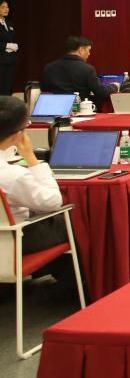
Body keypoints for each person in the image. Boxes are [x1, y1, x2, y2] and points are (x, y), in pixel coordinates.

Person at [0, 96, 75, 285]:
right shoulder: (13, 176)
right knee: (77, 222)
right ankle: (69, 289)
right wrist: (30, 158)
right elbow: (52, 202)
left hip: (10, 235)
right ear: (19, 134)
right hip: (14, 239)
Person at [40, 35, 114, 107]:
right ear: (81, 50)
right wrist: (114, 86)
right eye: (88, 50)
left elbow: (43, 89)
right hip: (79, 110)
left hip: (55, 109)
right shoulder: (87, 69)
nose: (89, 54)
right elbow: (101, 93)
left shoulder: (49, 67)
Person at [0, 0, 15, 96]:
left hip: (10, 60)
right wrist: (6, 45)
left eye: (7, 7)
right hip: (1, 60)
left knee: (8, 88)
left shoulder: (9, 23)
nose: (6, 9)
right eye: (3, 7)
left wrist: (13, 46)